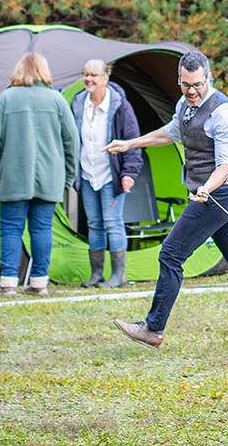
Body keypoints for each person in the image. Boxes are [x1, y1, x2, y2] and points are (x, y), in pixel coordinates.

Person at [103, 50, 228, 348]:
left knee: (170, 253)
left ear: (209, 78)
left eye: (198, 84)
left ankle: (153, 329)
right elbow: (169, 134)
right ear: (179, 81)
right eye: (185, 85)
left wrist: (206, 188)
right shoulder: (184, 104)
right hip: (206, 194)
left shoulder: (225, 113)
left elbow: (224, 164)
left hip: (217, 194)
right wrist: (130, 143)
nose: (192, 91)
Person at [0, 52, 79, 297]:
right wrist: (68, 176)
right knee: (42, 229)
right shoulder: (57, 100)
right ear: (44, 71)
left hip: (14, 178)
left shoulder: (6, 99)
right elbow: (72, 141)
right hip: (50, 178)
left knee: (11, 229)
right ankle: (38, 282)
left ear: (19, 70)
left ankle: (8, 283)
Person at [71, 59, 143, 289]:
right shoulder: (78, 102)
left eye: (93, 75)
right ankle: (96, 275)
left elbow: (132, 142)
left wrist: (129, 173)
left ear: (105, 78)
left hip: (111, 176)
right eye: (85, 74)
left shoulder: (121, 106)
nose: (88, 79)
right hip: (87, 174)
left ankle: (118, 276)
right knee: (94, 224)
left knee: (113, 223)